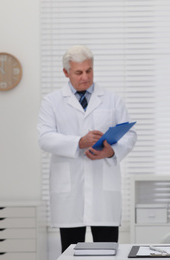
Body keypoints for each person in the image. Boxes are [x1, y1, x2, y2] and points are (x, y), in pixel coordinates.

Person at [37, 45, 137, 252]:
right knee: (72, 252)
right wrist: (78, 142)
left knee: (108, 252)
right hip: (70, 191)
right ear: (66, 73)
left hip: (104, 189)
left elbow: (129, 134)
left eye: (89, 70)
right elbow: (45, 138)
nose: (85, 77)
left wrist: (110, 152)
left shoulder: (112, 99)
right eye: (78, 72)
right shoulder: (52, 102)